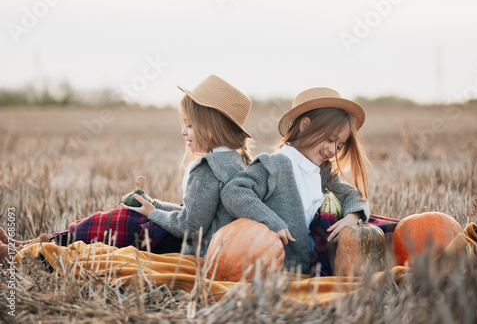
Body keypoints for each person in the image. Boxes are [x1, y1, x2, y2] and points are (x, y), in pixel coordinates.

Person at [0, 75, 253, 261]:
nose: (183, 131)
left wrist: (152, 212)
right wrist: (154, 204)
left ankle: (30, 253)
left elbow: (189, 226)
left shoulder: (208, 168)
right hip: (205, 245)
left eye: (189, 124)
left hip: (190, 249)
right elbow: (197, 214)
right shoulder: (234, 162)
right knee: (121, 220)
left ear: (210, 126)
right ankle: (33, 245)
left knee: (120, 221)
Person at [221, 87, 371, 275]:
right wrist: (272, 222)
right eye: (330, 139)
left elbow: (353, 195)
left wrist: (352, 217)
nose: (333, 150)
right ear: (305, 125)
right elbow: (234, 191)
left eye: (339, 146)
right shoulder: (276, 164)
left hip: (310, 260)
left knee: (379, 230)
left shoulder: (323, 171)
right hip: (279, 262)